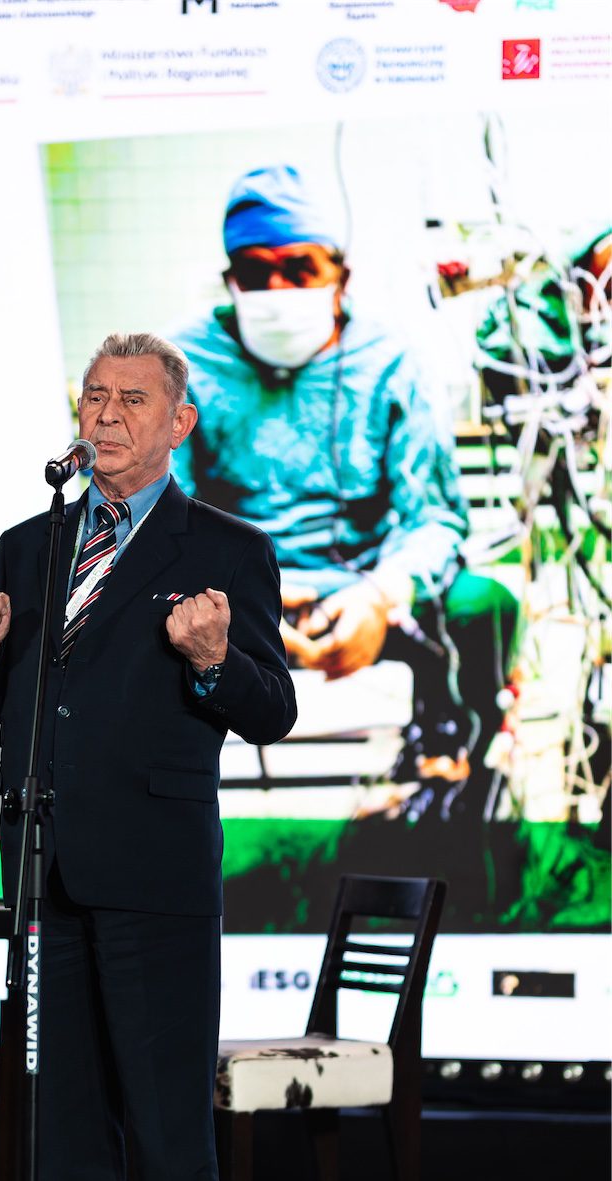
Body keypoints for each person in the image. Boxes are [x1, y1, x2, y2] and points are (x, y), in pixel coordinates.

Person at [0, 333, 295, 1181]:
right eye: (94, 397)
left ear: (179, 422)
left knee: (162, 1108)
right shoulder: (30, 544)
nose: (104, 416)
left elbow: (271, 709)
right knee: (63, 1110)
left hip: (154, 865)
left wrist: (214, 661)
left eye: (131, 399)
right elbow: (6, 698)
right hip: (42, 860)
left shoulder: (225, 548)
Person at [172, 165, 519, 821]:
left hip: (366, 594)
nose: (276, 291)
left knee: (482, 605)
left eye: (299, 269)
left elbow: (434, 517)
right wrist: (241, 606)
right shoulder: (180, 370)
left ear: (341, 276)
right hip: (229, 603)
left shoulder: (389, 363)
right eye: (255, 272)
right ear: (229, 278)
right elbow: (156, 522)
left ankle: (458, 791)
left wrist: (380, 598)